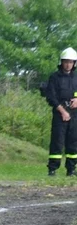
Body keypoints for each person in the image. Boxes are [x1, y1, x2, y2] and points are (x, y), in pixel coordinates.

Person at [42, 47, 77, 176]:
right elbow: (51, 96)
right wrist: (63, 111)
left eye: (71, 62)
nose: (68, 65)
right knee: (57, 141)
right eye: (66, 62)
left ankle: (71, 169)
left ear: (74, 63)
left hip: (74, 114)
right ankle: (52, 169)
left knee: (73, 142)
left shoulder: (76, 77)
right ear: (61, 62)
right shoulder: (54, 77)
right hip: (60, 113)